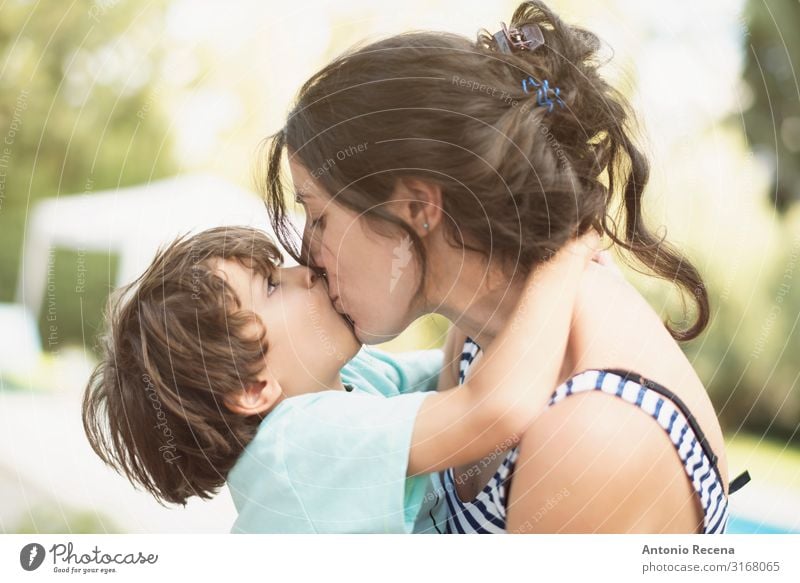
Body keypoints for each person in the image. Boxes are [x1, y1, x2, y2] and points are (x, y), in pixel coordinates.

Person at [262, 0, 749, 532]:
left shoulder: (589, 435)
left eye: (320, 216)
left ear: (420, 208)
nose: (306, 256)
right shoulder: (479, 338)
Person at [81, 225, 599, 533]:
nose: (306, 271)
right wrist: (564, 253)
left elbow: (459, 372)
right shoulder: (298, 447)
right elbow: (494, 408)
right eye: (272, 287)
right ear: (252, 389)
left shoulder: (343, 380)